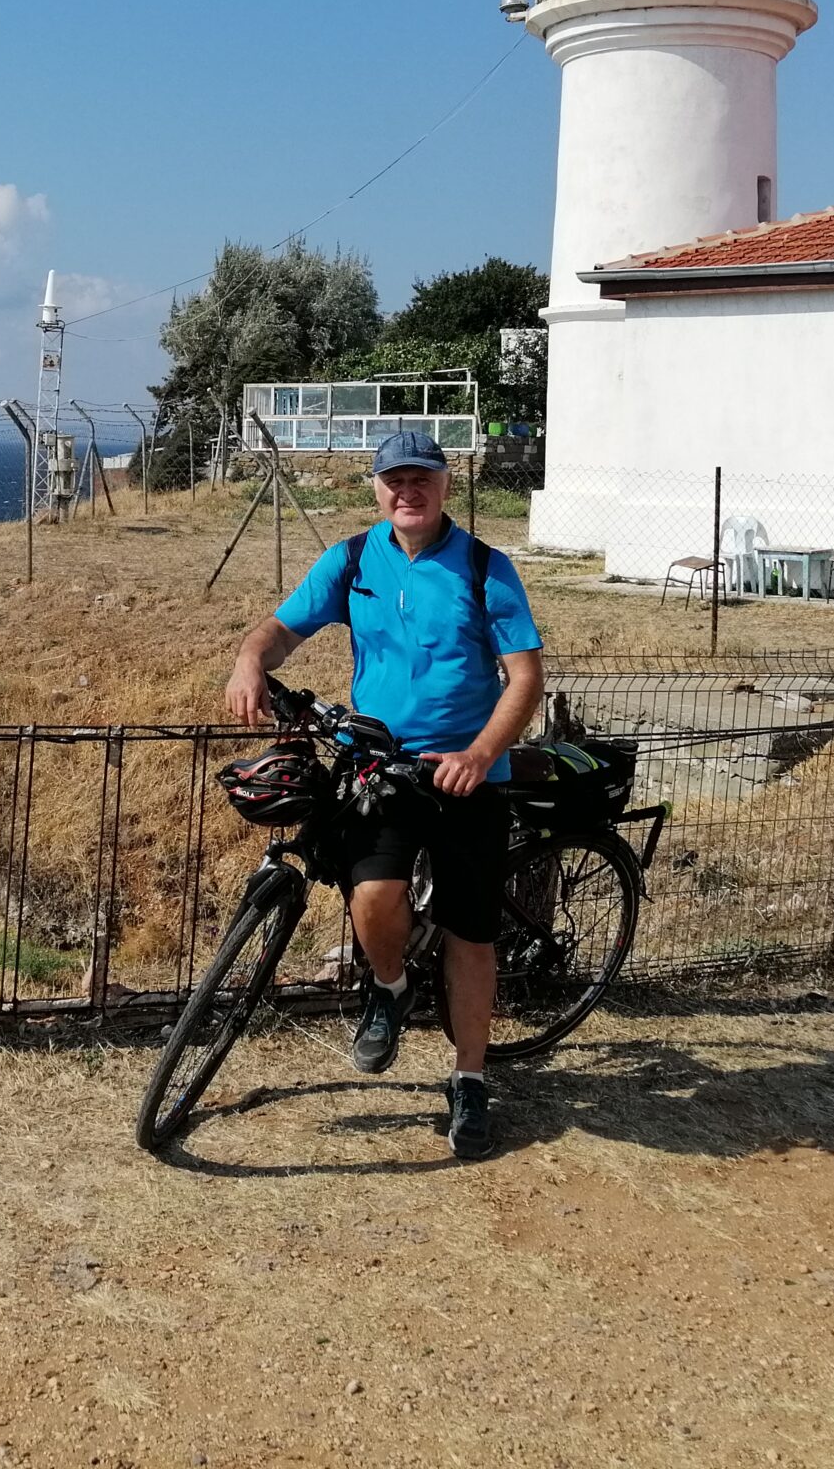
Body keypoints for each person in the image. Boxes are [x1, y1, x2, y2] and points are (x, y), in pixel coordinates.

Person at [224, 429, 543, 1159]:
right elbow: (279, 630)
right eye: (395, 480)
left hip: (467, 772)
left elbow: (524, 677)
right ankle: (391, 987)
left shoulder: (485, 569)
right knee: (372, 896)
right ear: (376, 488)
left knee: (471, 934)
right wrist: (249, 660)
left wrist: (482, 753)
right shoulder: (352, 560)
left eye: (422, 478)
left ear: (444, 486)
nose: (409, 491)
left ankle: (468, 1077)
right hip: (378, 768)